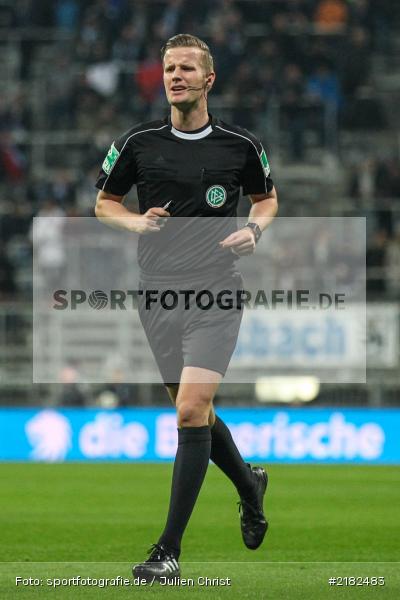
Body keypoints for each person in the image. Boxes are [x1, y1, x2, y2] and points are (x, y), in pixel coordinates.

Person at [95, 34, 278, 582]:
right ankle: (249, 485)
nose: (175, 76)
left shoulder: (240, 145)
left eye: (186, 69)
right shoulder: (138, 143)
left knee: (189, 410)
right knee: (195, 411)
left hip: (215, 291)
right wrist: (135, 222)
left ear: (208, 79)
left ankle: (167, 552)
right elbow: (103, 203)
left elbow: (266, 200)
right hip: (157, 294)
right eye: (169, 68)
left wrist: (253, 229)